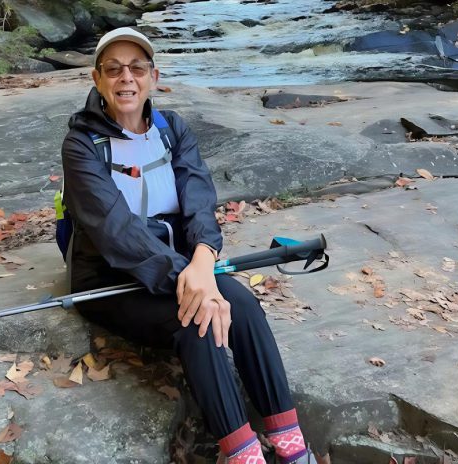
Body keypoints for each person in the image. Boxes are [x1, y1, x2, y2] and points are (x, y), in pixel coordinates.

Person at [60, 27, 312, 464]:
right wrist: (191, 282)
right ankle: (244, 455)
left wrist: (203, 260)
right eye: (114, 69)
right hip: (112, 278)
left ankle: (291, 445)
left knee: (244, 306)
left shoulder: (172, 129)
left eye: (137, 68)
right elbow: (114, 230)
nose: (127, 78)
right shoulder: (81, 144)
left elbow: (198, 201)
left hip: (180, 265)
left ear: (153, 76)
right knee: (197, 323)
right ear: (97, 79)